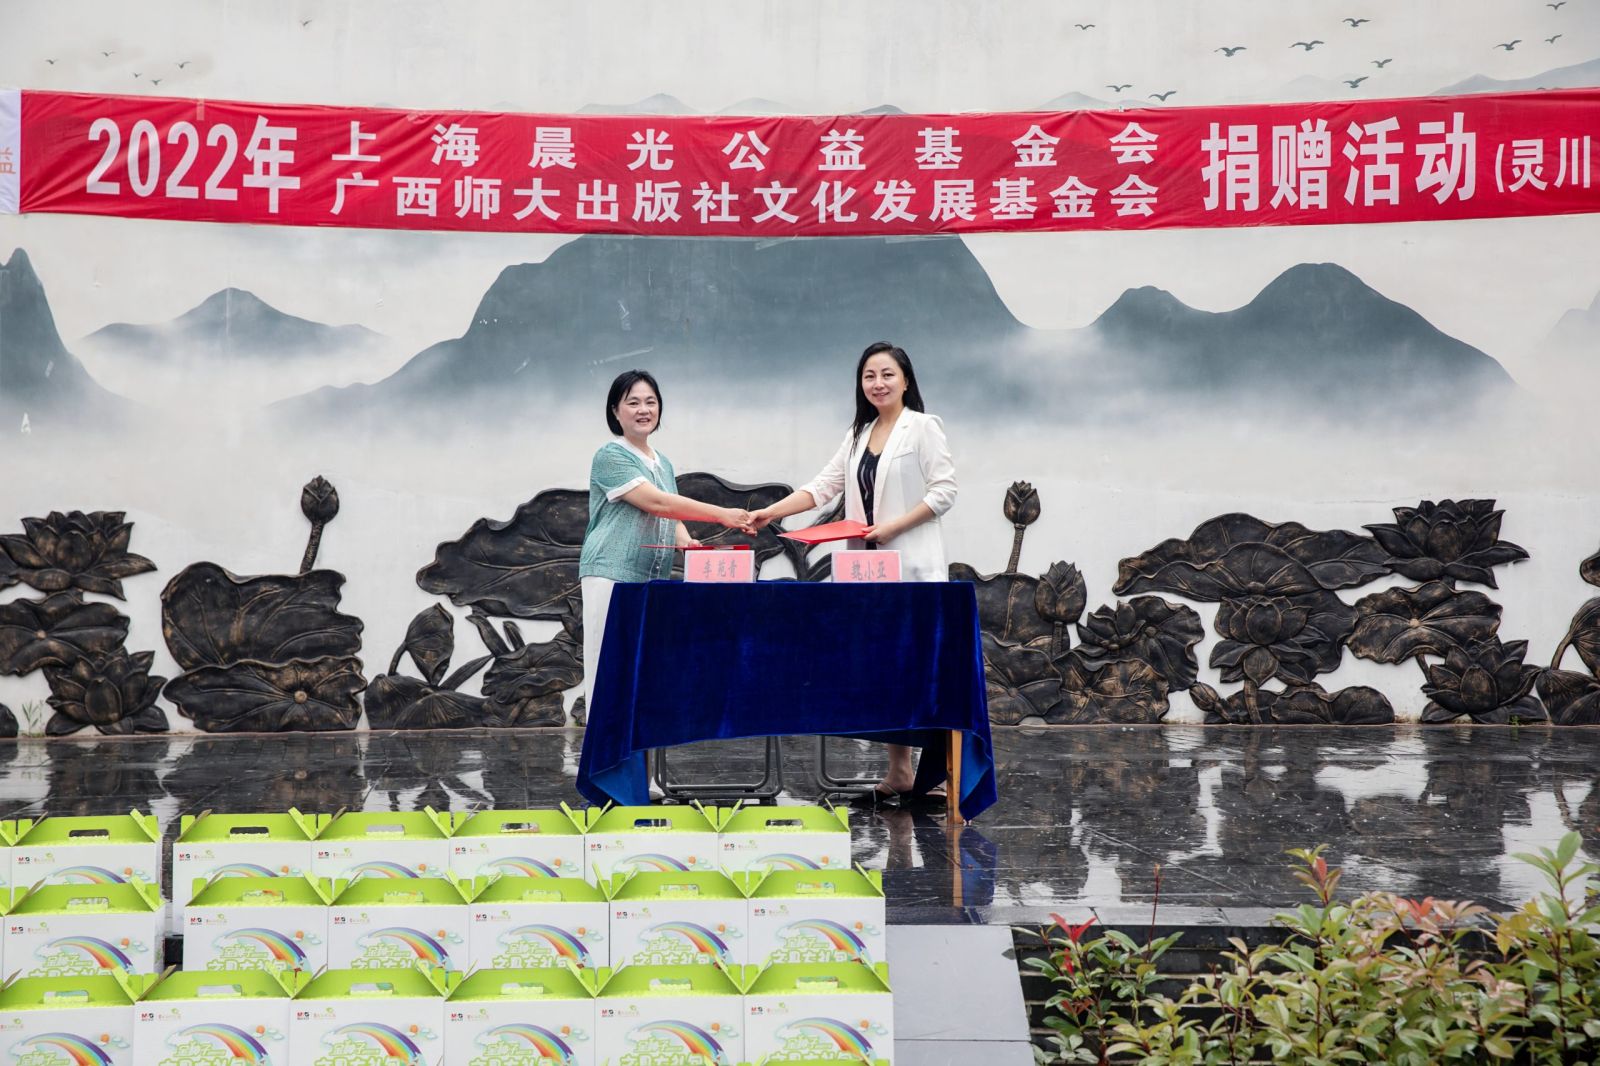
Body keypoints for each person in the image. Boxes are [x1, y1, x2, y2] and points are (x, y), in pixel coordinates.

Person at [750, 342, 958, 802]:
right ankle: (899, 771)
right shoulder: (859, 433)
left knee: (918, 667)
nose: (878, 383)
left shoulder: (923, 427)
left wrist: (893, 527)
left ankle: (941, 772)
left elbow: (944, 491)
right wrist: (771, 513)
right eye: (869, 376)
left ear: (906, 380)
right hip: (869, 574)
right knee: (884, 669)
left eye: (887, 374)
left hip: (912, 569)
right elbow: (823, 487)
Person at [578, 369, 754, 712]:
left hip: (650, 579)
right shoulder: (610, 456)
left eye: (651, 402)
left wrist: (690, 546)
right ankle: (604, 745)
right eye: (633, 403)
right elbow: (657, 503)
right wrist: (723, 514)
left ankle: (636, 745)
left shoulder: (664, 463)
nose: (643, 410)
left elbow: (670, 517)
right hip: (610, 574)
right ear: (615, 411)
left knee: (641, 668)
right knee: (608, 666)